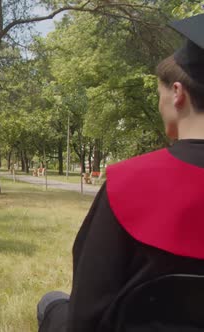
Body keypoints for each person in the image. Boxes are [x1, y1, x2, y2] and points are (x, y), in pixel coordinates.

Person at [37, 14, 204, 332]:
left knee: (51, 303)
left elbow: (86, 315)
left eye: (160, 94)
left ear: (178, 94)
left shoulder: (131, 182)